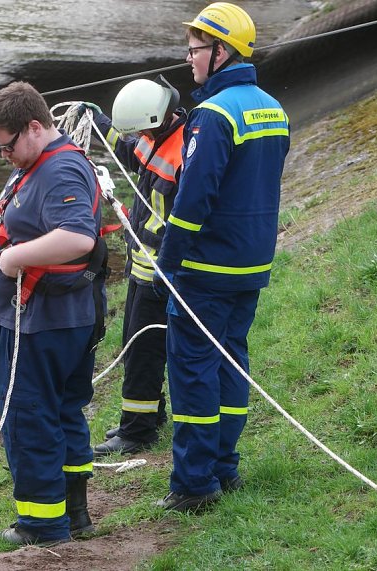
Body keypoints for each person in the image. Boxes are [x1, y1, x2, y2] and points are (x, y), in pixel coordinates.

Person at [0, 81, 107, 544]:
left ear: (34, 127)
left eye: (6, 146)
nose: (4, 156)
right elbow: (2, 208)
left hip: (44, 322)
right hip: (56, 318)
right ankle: (75, 515)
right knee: (62, 411)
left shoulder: (60, 172)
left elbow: (79, 238)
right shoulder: (31, 163)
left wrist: (13, 259)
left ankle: (42, 526)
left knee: (30, 418)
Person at [154, 2, 291, 512]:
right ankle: (225, 468)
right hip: (252, 266)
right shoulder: (273, 108)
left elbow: (193, 200)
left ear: (221, 51)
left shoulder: (212, 116)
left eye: (194, 50)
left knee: (193, 372)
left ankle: (194, 484)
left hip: (206, 271)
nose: (188, 59)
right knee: (233, 364)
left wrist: (167, 263)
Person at [81, 77, 187, 457]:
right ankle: (150, 415)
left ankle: (137, 430)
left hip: (160, 270)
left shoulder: (180, 153)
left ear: (154, 118)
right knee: (138, 344)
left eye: (141, 127)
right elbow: (129, 150)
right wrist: (98, 122)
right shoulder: (159, 134)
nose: (139, 134)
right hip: (146, 265)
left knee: (143, 349)